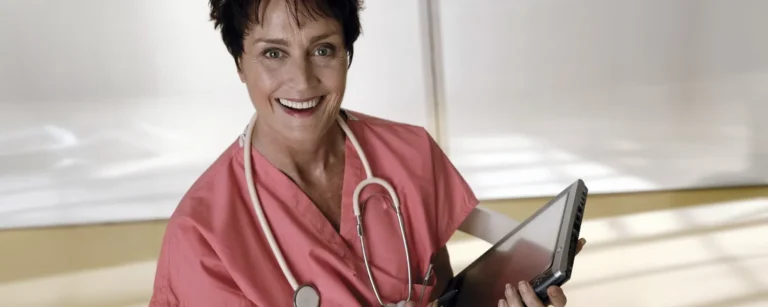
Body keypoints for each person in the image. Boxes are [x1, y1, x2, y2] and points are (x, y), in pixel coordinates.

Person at [149, 0, 585, 306]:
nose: (301, 81)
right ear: (239, 63)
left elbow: (442, 293)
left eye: (323, 50)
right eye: (273, 54)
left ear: (347, 55)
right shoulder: (202, 234)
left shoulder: (409, 156)